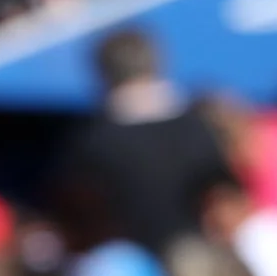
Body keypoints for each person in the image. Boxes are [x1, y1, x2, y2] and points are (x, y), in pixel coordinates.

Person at [57, 28, 232, 257]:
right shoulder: (201, 126)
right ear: (155, 61)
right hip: (210, 259)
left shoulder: (95, 144)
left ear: (103, 73)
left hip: (144, 265)